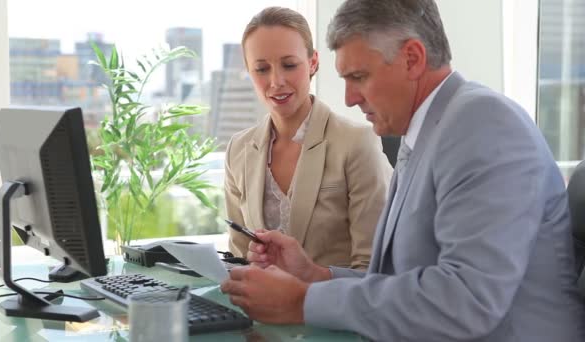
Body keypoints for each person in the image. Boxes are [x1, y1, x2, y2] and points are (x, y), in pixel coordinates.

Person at [221, 0, 585, 341]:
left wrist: (302, 302)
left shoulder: (484, 126)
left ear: (412, 58)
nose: (349, 97)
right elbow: (398, 281)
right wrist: (316, 277)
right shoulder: (427, 132)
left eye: (359, 76)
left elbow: (467, 300)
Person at [224, 6, 393, 269]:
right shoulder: (239, 149)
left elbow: (374, 268)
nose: (276, 81)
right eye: (261, 69)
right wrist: (251, 260)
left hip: (332, 307)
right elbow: (237, 256)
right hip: (259, 306)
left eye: (289, 65)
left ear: (313, 62)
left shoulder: (357, 143)